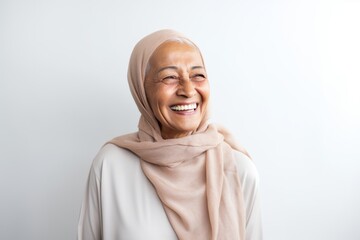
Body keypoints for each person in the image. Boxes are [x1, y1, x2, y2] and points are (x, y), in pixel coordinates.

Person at [78, 29, 262, 240]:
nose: (188, 89)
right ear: (141, 89)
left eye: (198, 75)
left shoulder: (239, 170)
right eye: (170, 77)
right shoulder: (110, 165)